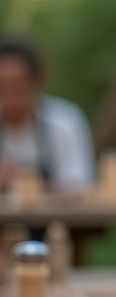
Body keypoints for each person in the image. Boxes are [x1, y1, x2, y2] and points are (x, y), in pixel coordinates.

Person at [0, 38, 94, 192]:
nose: (10, 100)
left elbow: (82, 188)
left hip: (56, 217)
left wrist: (30, 183)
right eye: (1, 89)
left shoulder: (65, 122)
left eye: (18, 89)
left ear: (37, 82)